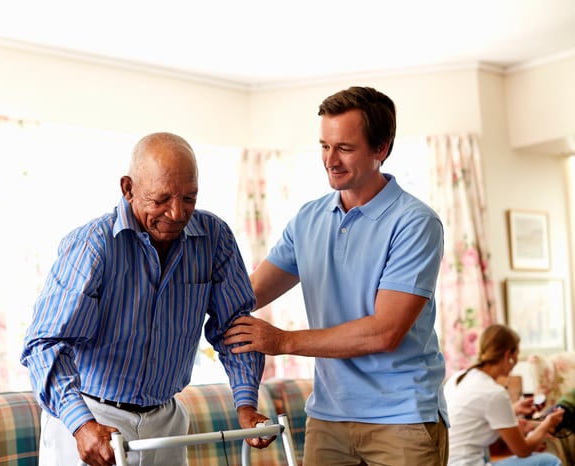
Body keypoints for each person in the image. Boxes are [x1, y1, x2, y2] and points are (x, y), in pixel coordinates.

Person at [223, 86, 449, 465]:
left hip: (402, 417)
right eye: (324, 146)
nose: (331, 160)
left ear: (381, 149)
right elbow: (247, 293)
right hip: (328, 416)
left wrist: (282, 341)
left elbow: (385, 331)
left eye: (345, 147)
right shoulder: (308, 219)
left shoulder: (414, 223)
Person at [21, 132, 273, 466]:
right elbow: (45, 344)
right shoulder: (93, 247)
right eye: (161, 199)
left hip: (166, 418)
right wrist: (81, 425)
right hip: (92, 414)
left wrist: (246, 405)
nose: (176, 212)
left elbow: (235, 327)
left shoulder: (215, 238)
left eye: (189, 198)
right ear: (128, 189)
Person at [443, 324, 564, 465]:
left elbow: (474, 418)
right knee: (550, 461)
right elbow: (523, 451)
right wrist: (547, 423)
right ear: (508, 355)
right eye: (516, 354)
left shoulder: (458, 378)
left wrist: (513, 409)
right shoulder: (493, 393)